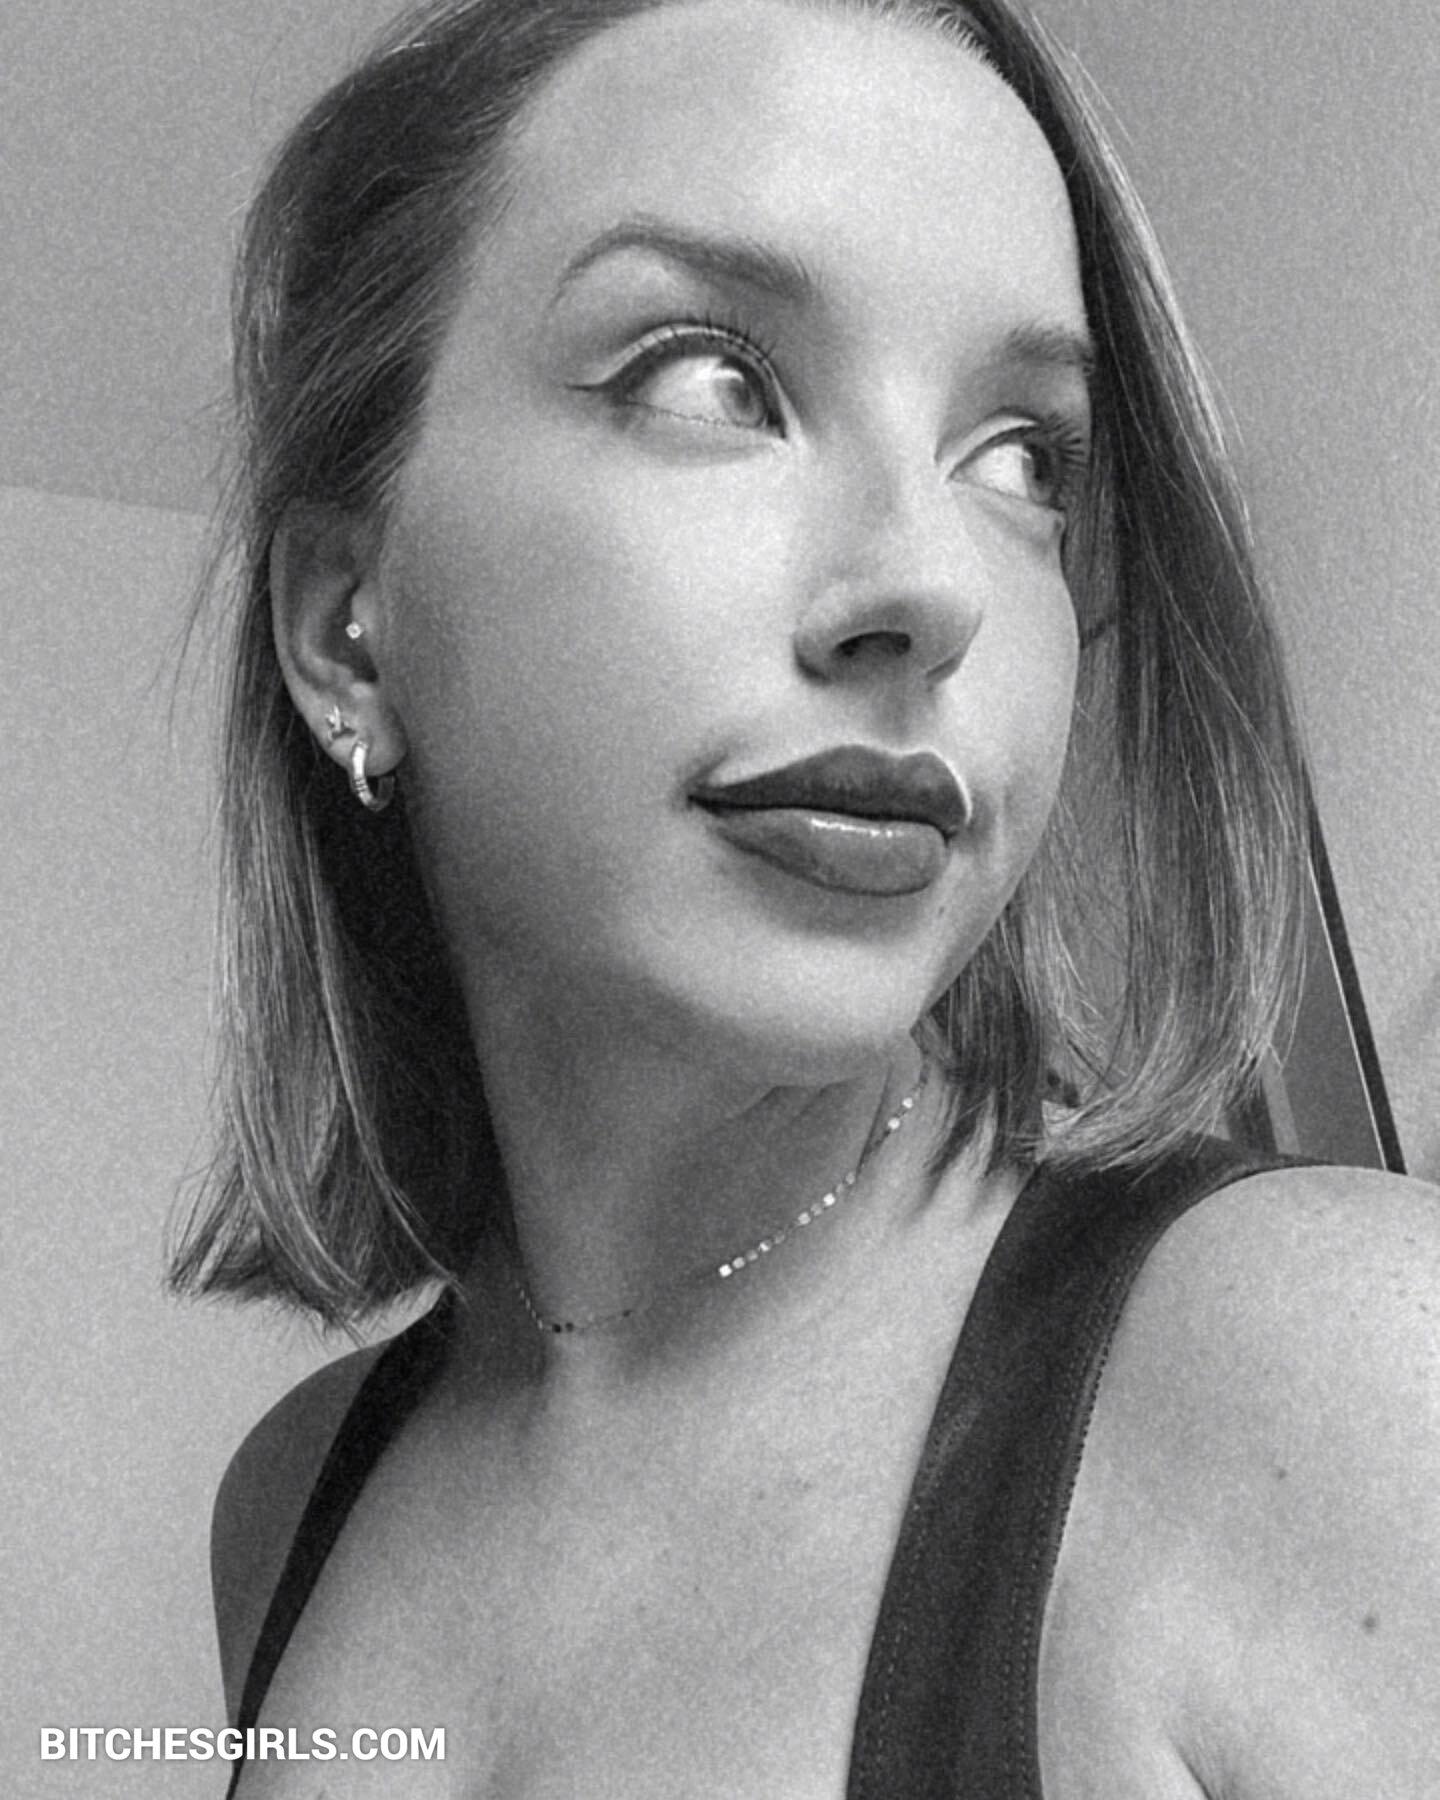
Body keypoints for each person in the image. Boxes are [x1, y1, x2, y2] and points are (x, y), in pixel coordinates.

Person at [172, 0, 1440, 1792]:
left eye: (1026, 458)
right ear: (343, 631)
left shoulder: (1343, 1381)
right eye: (712, 379)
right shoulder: (289, 1505)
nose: (933, 587)